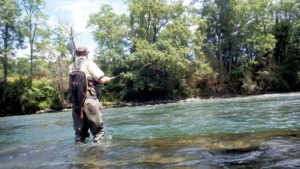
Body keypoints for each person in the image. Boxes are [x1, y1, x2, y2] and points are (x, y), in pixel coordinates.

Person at [69, 46, 111, 144]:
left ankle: (81, 155)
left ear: (77, 54)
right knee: (98, 132)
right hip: (90, 101)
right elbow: (100, 79)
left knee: (80, 135)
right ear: (87, 53)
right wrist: (107, 79)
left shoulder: (71, 66)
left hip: (76, 104)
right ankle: (98, 154)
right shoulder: (89, 63)